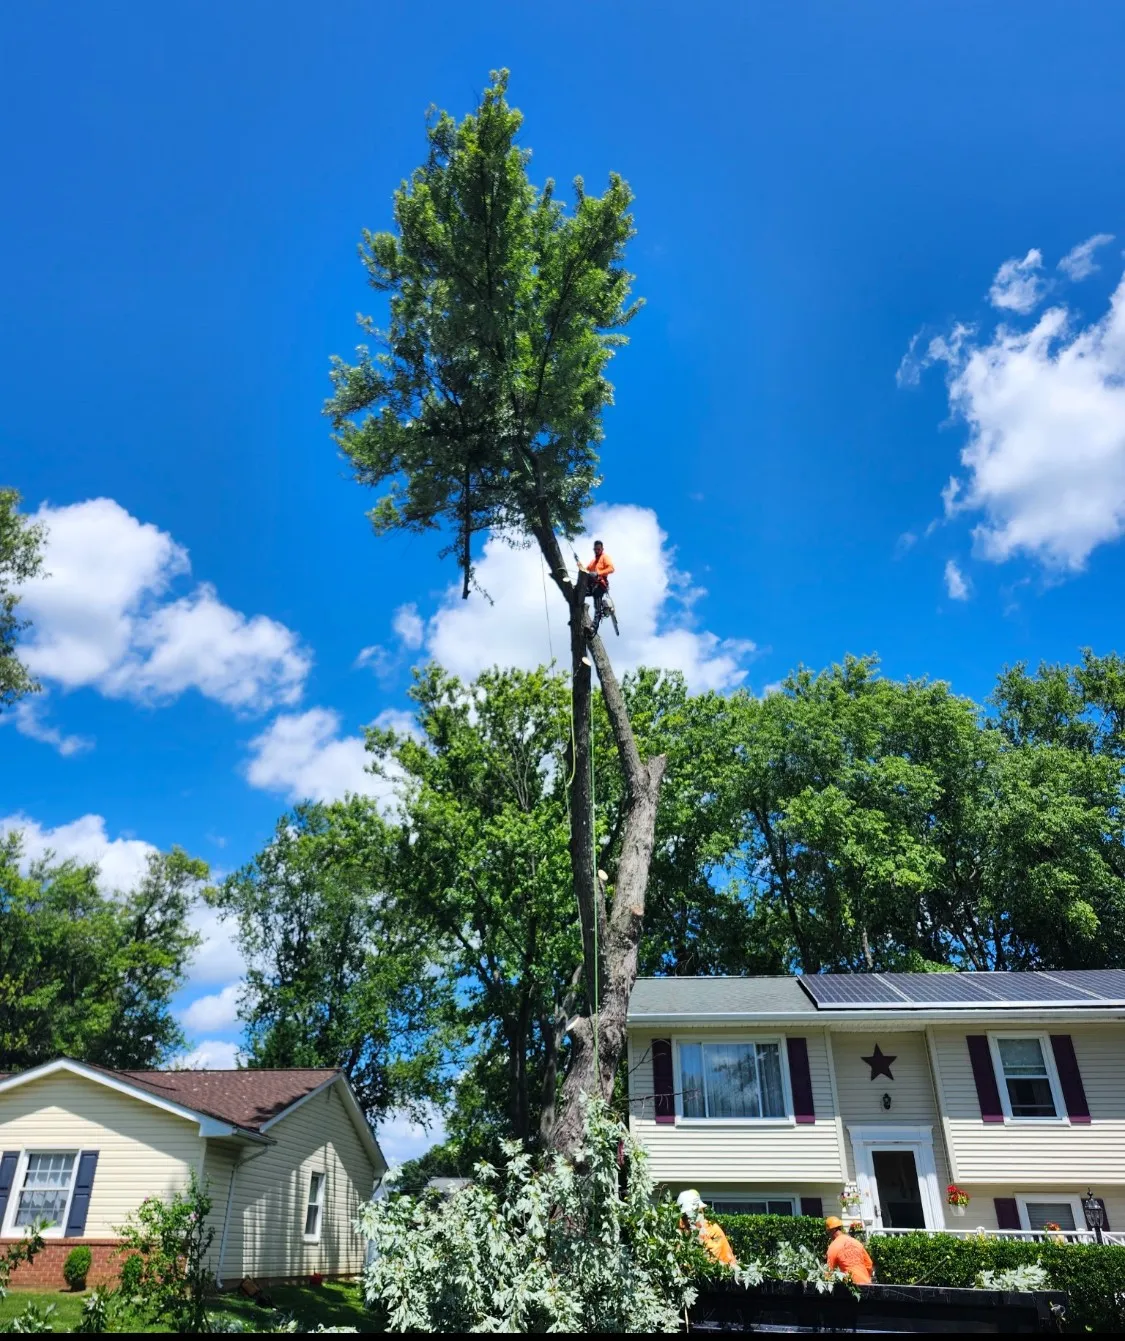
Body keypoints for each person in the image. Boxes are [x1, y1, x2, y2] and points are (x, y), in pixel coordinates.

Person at [677, 1189, 737, 1268]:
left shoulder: (712, 1230)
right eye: (684, 1218)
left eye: (699, 1212)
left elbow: (711, 1260)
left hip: (722, 1276)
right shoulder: (684, 1230)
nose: (685, 1222)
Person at [824, 1216, 874, 1285]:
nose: (829, 1235)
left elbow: (829, 1272)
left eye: (828, 1232)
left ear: (831, 1230)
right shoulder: (856, 1242)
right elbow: (869, 1264)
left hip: (851, 1288)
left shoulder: (832, 1248)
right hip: (867, 1284)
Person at [583, 540, 615, 631]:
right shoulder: (593, 561)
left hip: (600, 585)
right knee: (580, 591)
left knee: (597, 607)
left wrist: (598, 573)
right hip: (591, 586)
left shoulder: (605, 557)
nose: (597, 551)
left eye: (598, 549)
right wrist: (579, 565)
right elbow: (585, 570)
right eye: (595, 549)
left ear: (602, 549)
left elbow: (611, 568)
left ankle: (593, 627)